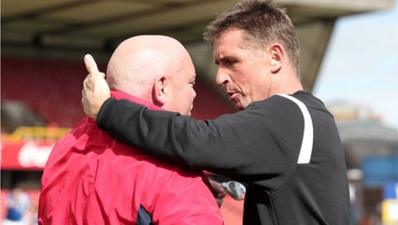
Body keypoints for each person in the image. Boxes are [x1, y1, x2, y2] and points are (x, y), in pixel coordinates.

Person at [82, 0, 351, 225]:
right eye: (218, 64)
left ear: (276, 57)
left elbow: (196, 140)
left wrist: (107, 109)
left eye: (231, 62)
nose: (220, 77)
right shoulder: (306, 117)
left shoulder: (290, 114)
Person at [38, 35, 223, 225]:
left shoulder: (65, 146)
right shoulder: (176, 176)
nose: (194, 93)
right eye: (191, 83)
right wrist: (197, 198)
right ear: (162, 87)